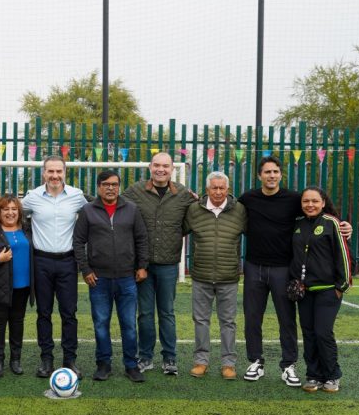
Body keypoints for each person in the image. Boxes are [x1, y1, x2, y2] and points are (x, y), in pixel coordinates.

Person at [237, 156, 351, 387]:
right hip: (254, 267)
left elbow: (318, 211)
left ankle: (288, 365)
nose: (271, 175)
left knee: (287, 320)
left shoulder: (293, 198)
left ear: (281, 174)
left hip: (283, 269)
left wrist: (344, 225)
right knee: (252, 317)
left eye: (275, 171)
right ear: (259, 175)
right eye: (267, 172)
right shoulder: (248, 198)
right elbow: (225, 207)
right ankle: (256, 361)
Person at [123, 152, 195, 376]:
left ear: (172, 169)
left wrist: (173, 235)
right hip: (142, 265)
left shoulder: (183, 194)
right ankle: (145, 357)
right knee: (144, 313)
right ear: (149, 167)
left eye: (165, 166)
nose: (160, 169)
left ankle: (170, 358)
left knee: (167, 312)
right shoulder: (134, 191)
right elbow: (113, 204)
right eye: (157, 165)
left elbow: (195, 217)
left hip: (168, 265)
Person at [73, 169, 149, 383]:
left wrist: (142, 266)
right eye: (106, 184)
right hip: (99, 279)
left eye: (114, 184)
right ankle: (103, 364)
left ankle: (131, 365)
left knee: (128, 324)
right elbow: (78, 242)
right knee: (101, 323)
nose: (110, 188)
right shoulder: (88, 211)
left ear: (119, 186)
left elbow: (142, 239)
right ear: (99, 187)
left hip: (127, 278)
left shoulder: (132, 209)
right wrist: (86, 270)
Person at [21, 155, 87, 379]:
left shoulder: (78, 196)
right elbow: (8, 213)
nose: (55, 176)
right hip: (41, 262)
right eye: (51, 171)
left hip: (68, 262)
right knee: (44, 313)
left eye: (59, 171)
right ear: (44, 173)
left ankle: (70, 359)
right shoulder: (32, 197)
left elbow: (96, 213)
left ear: (65, 172)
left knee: (69, 313)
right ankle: (46, 359)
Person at [182, 171, 248, 380]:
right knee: (201, 320)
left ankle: (228, 364)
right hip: (201, 275)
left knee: (228, 321)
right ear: (207, 189)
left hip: (228, 277)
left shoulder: (240, 210)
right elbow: (177, 229)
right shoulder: (194, 209)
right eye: (214, 188)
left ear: (227, 190)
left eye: (222, 188)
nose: (218, 192)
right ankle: (201, 361)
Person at [291, 186, 352, 393]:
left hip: (328, 290)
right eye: (306, 201)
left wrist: (341, 286)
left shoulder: (332, 223)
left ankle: (332, 375)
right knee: (308, 333)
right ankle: (313, 375)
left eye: (314, 201)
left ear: (323, 202)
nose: (310, 205)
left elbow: (343, 254)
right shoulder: (297, 224)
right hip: (304, 291)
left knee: (323, 332)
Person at [0, 196, 35, 378]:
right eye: (6, 209)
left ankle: (15, 360)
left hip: (23, 287)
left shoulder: (28, 230)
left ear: (19, 212)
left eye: (14, 209)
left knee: (17, 323)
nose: (10, 213)